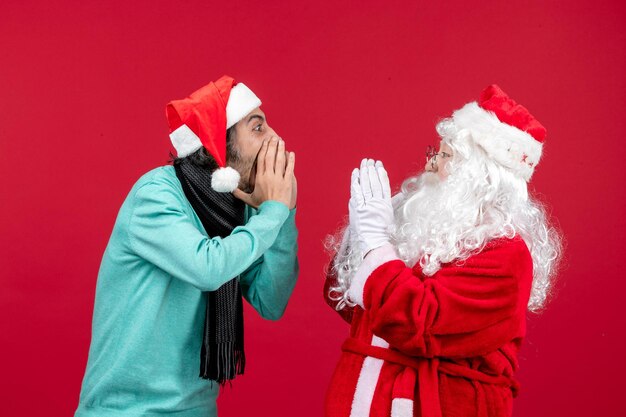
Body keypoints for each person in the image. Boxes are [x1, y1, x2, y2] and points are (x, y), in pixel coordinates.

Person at [324, 85, 562, 417]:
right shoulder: (427, 227)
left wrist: (377, 241)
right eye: (436, 152)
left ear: (481, 178)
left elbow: (416, 325)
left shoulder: (507, 255)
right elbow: (357, 311)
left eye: (446, 155)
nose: (431, 164)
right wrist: (362, 235)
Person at [75, 75, 299, 417]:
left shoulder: (239, 211)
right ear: (219, 143)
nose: (276, 140)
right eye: (257, 128)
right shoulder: (155, 194)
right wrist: (273, 213)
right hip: (125, 411)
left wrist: (283, 216)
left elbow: (272, 302)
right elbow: (207, 267)